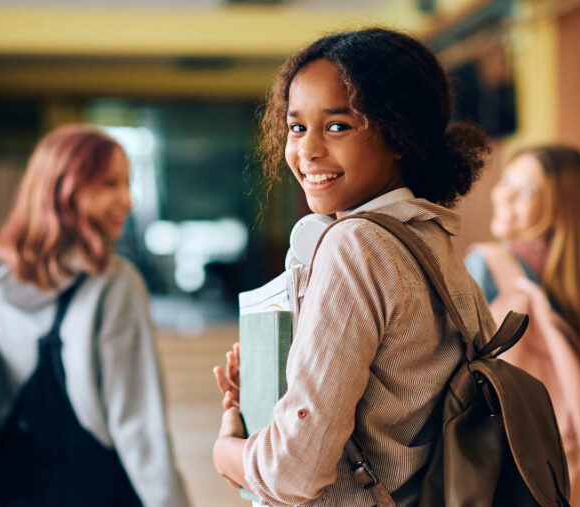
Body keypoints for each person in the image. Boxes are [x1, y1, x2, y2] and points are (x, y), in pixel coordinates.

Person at [211, 28, 496, 506]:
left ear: (398, 132)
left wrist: (228, 450)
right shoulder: (431, 236)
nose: (308, 151)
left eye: (338, 126)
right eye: (297, 127)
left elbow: (294, 472)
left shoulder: (355, 245)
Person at [0, 124, 189, 506]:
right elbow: (140, 431)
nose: (128, 200)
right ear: (66, 191)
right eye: (109, 184)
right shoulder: (112, 286)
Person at [464, 144, 580, 506]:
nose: (503, 195)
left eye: (525, 192)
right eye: (506, 182)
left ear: (558, 206)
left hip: (508, 461)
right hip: (564, 467)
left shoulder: (487, 265)